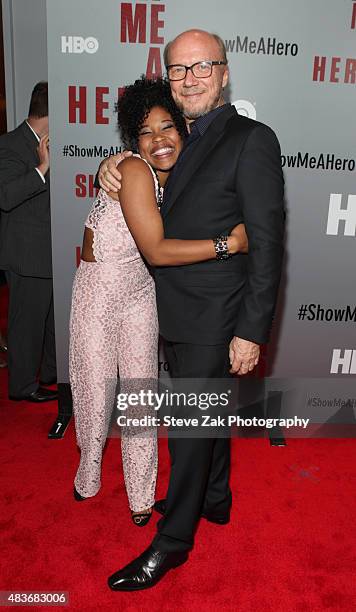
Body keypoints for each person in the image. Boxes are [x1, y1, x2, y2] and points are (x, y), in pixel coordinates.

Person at [100, 29, 285, 591]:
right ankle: (216, 499)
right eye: (179, 70)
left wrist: (252, 330)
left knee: (188, 426)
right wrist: (118, 161)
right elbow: (151, 166)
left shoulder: (252, 138)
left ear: (225, 72)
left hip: (218, 314)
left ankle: (173, 543)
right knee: (206, 418)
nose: (191, 78)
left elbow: (268, 242)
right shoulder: (180, 136)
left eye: (202, 66)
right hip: (175, 310)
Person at [70, 77, 248, 525]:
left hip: (142, 293)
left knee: (140, 397)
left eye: (168, 127)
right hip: (98, 290)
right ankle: (87, 473)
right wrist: (230, 244)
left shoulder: (185, 177)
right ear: (133, 138)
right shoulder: (131, 169)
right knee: (94, 397)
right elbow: (157, 250)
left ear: (184, 131)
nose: (158, 139)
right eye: (146, 132)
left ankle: (141, 496)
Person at [0, 82, 57, 402]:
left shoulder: (52, 142)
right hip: (25, 254)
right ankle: (22, 387)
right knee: (26, 324)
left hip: (49, 251)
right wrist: (42, 168)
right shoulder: (9, 144)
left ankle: (48, 375)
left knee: (49, 323)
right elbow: (6, 196)